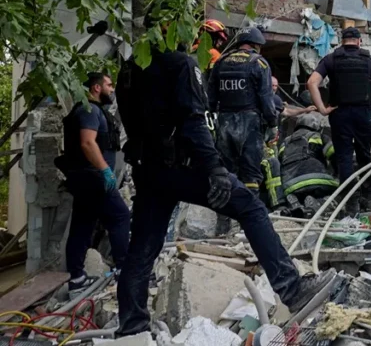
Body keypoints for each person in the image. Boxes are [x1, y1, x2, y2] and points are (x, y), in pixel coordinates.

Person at [114, 18, 332, 337]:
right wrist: (214, 169)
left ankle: (131, 326)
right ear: (167, 26)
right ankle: (292, 289)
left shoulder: (130, 69)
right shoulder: (181, 64)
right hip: (183, 165)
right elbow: (193, 121)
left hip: (148, 170)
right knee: (250, 207)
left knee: (143, 245)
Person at [60, 73, 130, 291]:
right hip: (93, 178)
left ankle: (76, 279)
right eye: (109, 85)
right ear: (96, 88)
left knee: (83, 225)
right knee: (120, 216)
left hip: (84, 178)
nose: (112, 89)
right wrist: (106, 172)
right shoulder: (88, 110)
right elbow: (88, 143)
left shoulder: (91, 110)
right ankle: (124, 272)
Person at [307, 27, 371, 213]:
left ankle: (350, 202)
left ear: (342, 41)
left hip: (339, 113)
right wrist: (366, 94)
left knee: (344, 157)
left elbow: (311, 82)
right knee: (364, 155)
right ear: (359, 41)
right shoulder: (370, 60)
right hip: (364, 114)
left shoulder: (331, 59)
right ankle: (367, 197)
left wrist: (322, 109)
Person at [207, 27, 278, 195]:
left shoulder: (221, 62)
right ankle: (247, 215)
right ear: (256, 45)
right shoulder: (259, 63)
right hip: (250, 124)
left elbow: (210, 98)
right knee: (251, 174)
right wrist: (272, 123)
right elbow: (266, 97)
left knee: (226, 172)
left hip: (224, 122)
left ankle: (224, 217)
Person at [278, 112, 338, 211]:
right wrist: (337, 172)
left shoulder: (285, 141)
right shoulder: (317, 135)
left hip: (289, 184)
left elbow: (280, 161)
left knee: (301, 192)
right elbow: (334, 154)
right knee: (337, 190)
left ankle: (297, 203)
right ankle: (320, 202)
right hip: (315, 178)